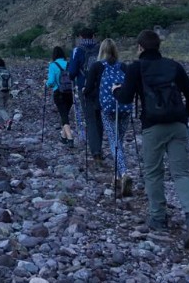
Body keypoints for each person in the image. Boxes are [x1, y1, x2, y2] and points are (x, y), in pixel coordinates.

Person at [112, 29, 189, 249]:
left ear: (140, 47)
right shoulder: (174, 66)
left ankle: (158, 218)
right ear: (159, 46)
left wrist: (116, 90)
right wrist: (184, 116)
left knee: (153, 172)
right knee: (181, 172)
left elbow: (125, 97)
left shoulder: (136, 68)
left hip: (153, 126)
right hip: (178, 125)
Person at [86, 38, 132, 196]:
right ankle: (118, 176)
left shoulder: (97, 66)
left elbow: (87, 90)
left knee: (114, 142)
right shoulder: (124, 66)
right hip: (125, 108)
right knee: (119, 141)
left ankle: (124, 173)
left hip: (107, 109)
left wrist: (96, 97)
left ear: (101, 50)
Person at [69, 28, 103, 162]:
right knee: (99, 118)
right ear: (94, 35)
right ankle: (99, 147)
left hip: (84, 88)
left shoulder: (77, 50)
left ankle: (95, 152)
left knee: (90, 119)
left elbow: (72, 72)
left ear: (80, 37)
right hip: (100, 88)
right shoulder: (100, 48)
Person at [46, 46, 74, 147]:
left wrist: (46, 84)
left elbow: (51, 82)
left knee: (64, 115)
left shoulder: (53, 65)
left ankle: (70, 138)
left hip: (59, 93)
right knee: (65, 114)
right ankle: (63, 137)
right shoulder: (69, 64)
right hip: (70, 93)